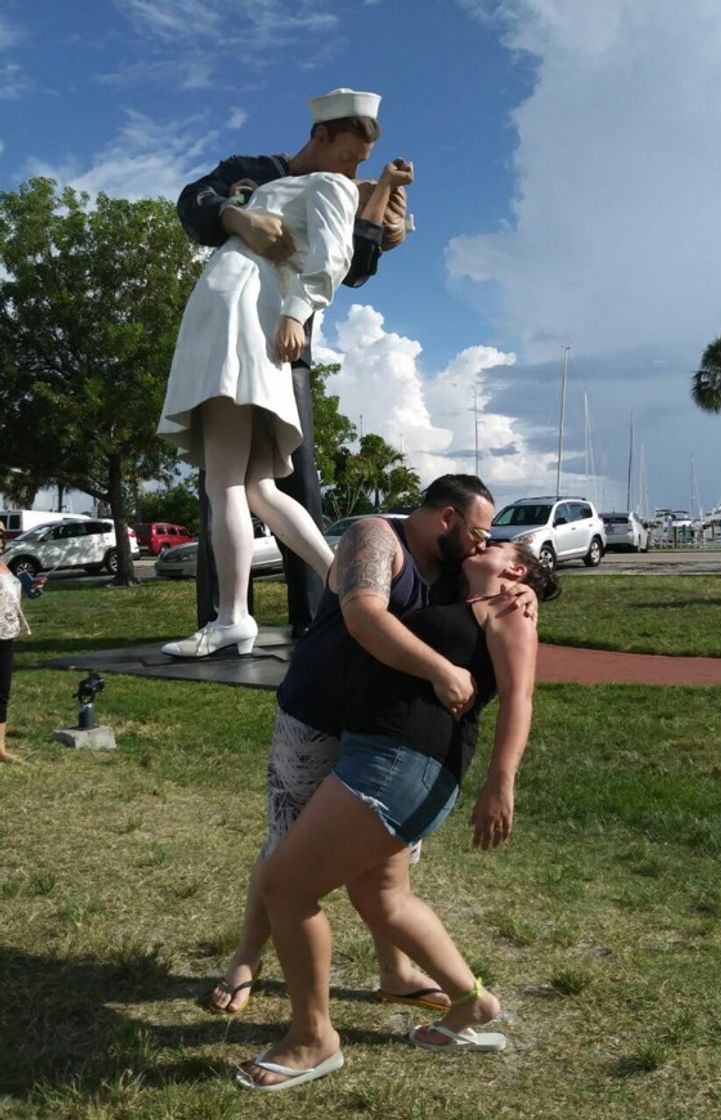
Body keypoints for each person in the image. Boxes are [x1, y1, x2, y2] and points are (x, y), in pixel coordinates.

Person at [234, 540, 557, 1092]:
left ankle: (314, 1039)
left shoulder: (509, 609)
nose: (484, 541)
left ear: (517, 568)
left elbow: (520, 698)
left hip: (401, 762)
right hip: (382, 754)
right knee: (383, 897)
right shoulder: (464, 599)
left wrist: (501, 784)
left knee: (286, 889)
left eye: (498, 541)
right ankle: (471, 1003)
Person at [208, 474, 508, 1016]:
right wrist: (441, 671)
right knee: (285, 846)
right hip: (317, 718)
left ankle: (395, 970)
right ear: (447, 518)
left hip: (382, 738)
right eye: (478, 533)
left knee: (387, 863)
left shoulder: (451, 570)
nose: (482, 544)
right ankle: (246, 960)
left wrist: (520, 587)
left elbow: (498, 593)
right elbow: (364, 615)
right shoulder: (375, 537)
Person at [158, 141, 412, 657]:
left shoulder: (334, 187)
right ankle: (337, 586)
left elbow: (346, 261)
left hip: (259, 333)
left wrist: (383, 226)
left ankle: (238, 616)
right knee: (257, 486)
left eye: (363, 161)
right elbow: (193, 203)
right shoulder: (255, 170)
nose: (356, 167)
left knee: (234, 482)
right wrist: (235, 216)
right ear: (323, 139)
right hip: (257, 328)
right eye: (351, 154)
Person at [0, 555, 46, 763]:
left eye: (2, 536)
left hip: (6, 634)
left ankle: (0, 749)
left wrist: (29, 590)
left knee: (2, 693)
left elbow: (9, 598)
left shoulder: (4, 566)